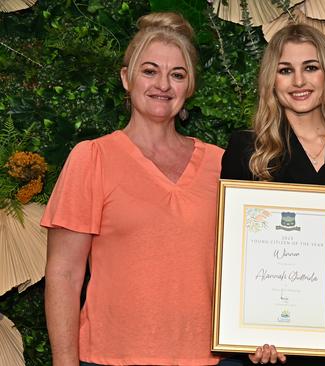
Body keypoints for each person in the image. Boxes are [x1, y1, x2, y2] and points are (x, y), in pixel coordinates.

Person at [42, 13, 224, 366]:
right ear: (127, 78)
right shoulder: (92, 158)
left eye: (178, 74)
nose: (163, 85)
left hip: (211, 359)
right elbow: (64, 274)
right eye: (150, 70)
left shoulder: (223, 165)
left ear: (190, 86)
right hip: (111, 358)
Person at [219, 24, 325, 366]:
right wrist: (243, 332)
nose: (299, 81)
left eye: (310, 67)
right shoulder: (246, 151)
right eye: (286, 70)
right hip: (277, 340)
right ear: (272, 80)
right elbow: (232, 255)